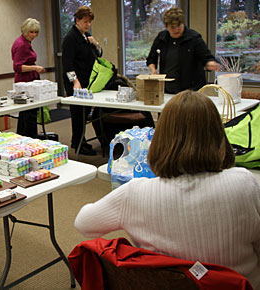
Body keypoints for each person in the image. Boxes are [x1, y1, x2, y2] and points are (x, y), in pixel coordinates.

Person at [74, 90, 260, 288]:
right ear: (218, 135)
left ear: (161, 137)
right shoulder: (245, 183)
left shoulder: (135, 193)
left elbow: (83, 223)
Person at [146, 7, 220, 94]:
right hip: (168, 89)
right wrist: (153, 70)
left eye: (179, 26)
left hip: (191, 89)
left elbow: (206, 57)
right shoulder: (162, 38)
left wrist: (210, 63)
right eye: (173, 27)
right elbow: (151, 58)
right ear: (166, 26)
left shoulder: (193, 38)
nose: (176, 30)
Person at [62, 5, 103, 156]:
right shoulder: (70, 38)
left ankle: (81, 139)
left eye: (89, 22)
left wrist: (96, 43)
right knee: (78, 114)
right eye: (85, 21)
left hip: (87, 80)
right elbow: (67, 64)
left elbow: (98, 55)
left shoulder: (86, 36)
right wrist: (75, 82)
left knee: (84, 114)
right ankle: (78, 142)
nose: (88, 24)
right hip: (76, 82)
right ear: (77, 20)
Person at [11, 18, 45, 138]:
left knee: (27, 112)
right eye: (31, 32)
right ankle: (29, 136)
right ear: (25, 31)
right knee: (28, 113)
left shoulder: (24, 42)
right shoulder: (21, 45)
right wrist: (35, 68)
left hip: (28, 80)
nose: (34, 35)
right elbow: (18, 67)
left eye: (36, 32)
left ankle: (27, 136)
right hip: (25, 82)